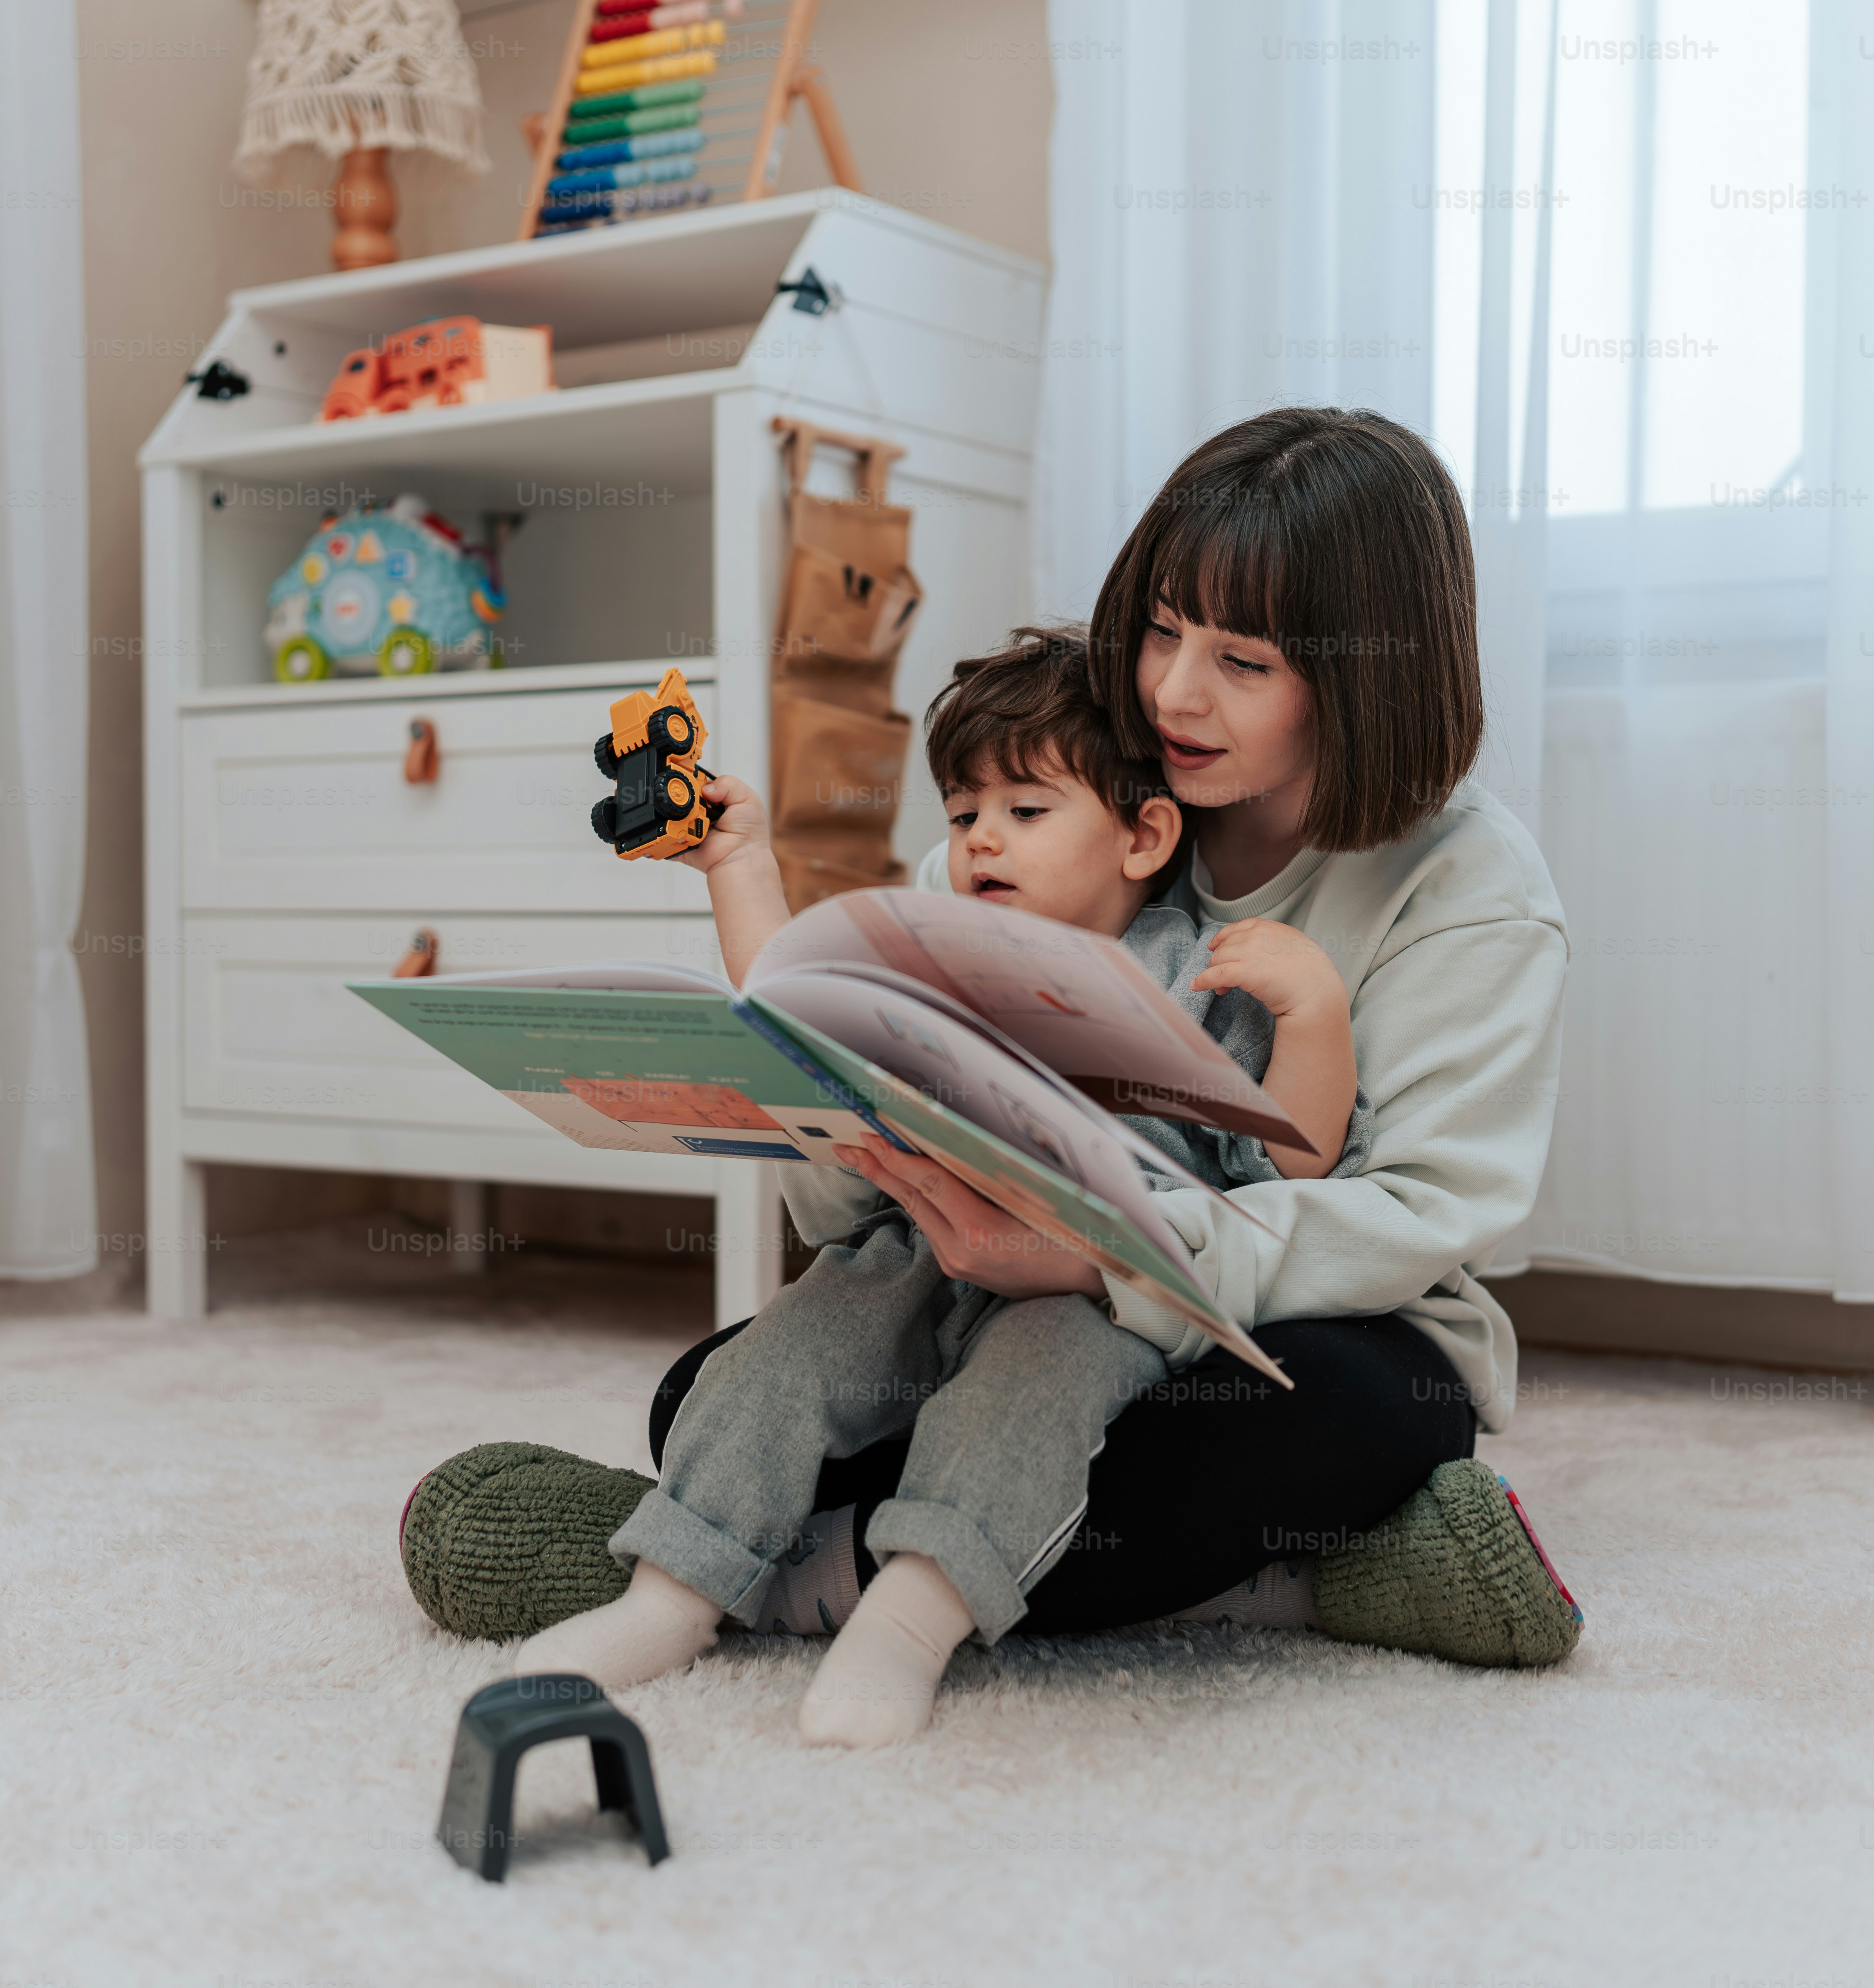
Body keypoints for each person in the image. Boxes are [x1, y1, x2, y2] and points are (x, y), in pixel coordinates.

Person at [404, 406, 1583, 1689]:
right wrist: (852, 1137)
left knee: (1341, 1423)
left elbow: (1412, 1216)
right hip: (962, 1295)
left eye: (1244, 663)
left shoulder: (1472, 889)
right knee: (715, 1388)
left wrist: (1098, 1267)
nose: (1174, 694)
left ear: (1369, 675)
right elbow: (839, 1204)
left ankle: (785, 1574)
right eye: (1163, 630)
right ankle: (1297, 1580)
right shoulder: (1038, 820)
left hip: (1302, 1325)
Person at [508, 628, 1375, 1747]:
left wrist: (1317, 1012)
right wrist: (740, 865)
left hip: (1088, 1288)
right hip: (917, 1247)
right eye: (964, 816)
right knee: (775, 1357)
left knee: (1024, 1401)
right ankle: (670, 1598)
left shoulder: (1201, 974)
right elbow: (793, 996)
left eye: (1026, 811)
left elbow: (1298, 1161)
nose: (979, 844)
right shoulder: (935, 946)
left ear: (1143, 833)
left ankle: (910, 1624)